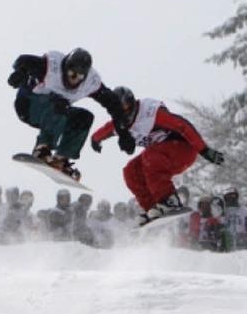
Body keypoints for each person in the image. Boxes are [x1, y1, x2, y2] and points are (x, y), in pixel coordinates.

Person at [91, 86, 225, 225]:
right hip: (160, 154)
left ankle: (169, 200)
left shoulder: (150, 113)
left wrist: (204, 149)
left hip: (182, 149)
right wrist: (95, 139)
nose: (121, 114)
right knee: (131, 170)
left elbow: (182, 125)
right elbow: (105, 130)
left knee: (149, 157)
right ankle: (152, 206)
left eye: (123, 108)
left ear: (131, 104)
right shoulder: (119, 124)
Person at [7, 48, 133, 180]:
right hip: (29, 106)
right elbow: (22, 60)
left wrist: (123, 133)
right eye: (72, 74)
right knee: (60, 103)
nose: (74, 79)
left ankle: (60, 158)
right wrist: (20, 74)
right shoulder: (51, 66)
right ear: (65, 67)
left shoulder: (90, 82)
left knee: (85, 117)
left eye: (79, 77)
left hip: (55, 116)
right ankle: (42, 149)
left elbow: (113, 104)